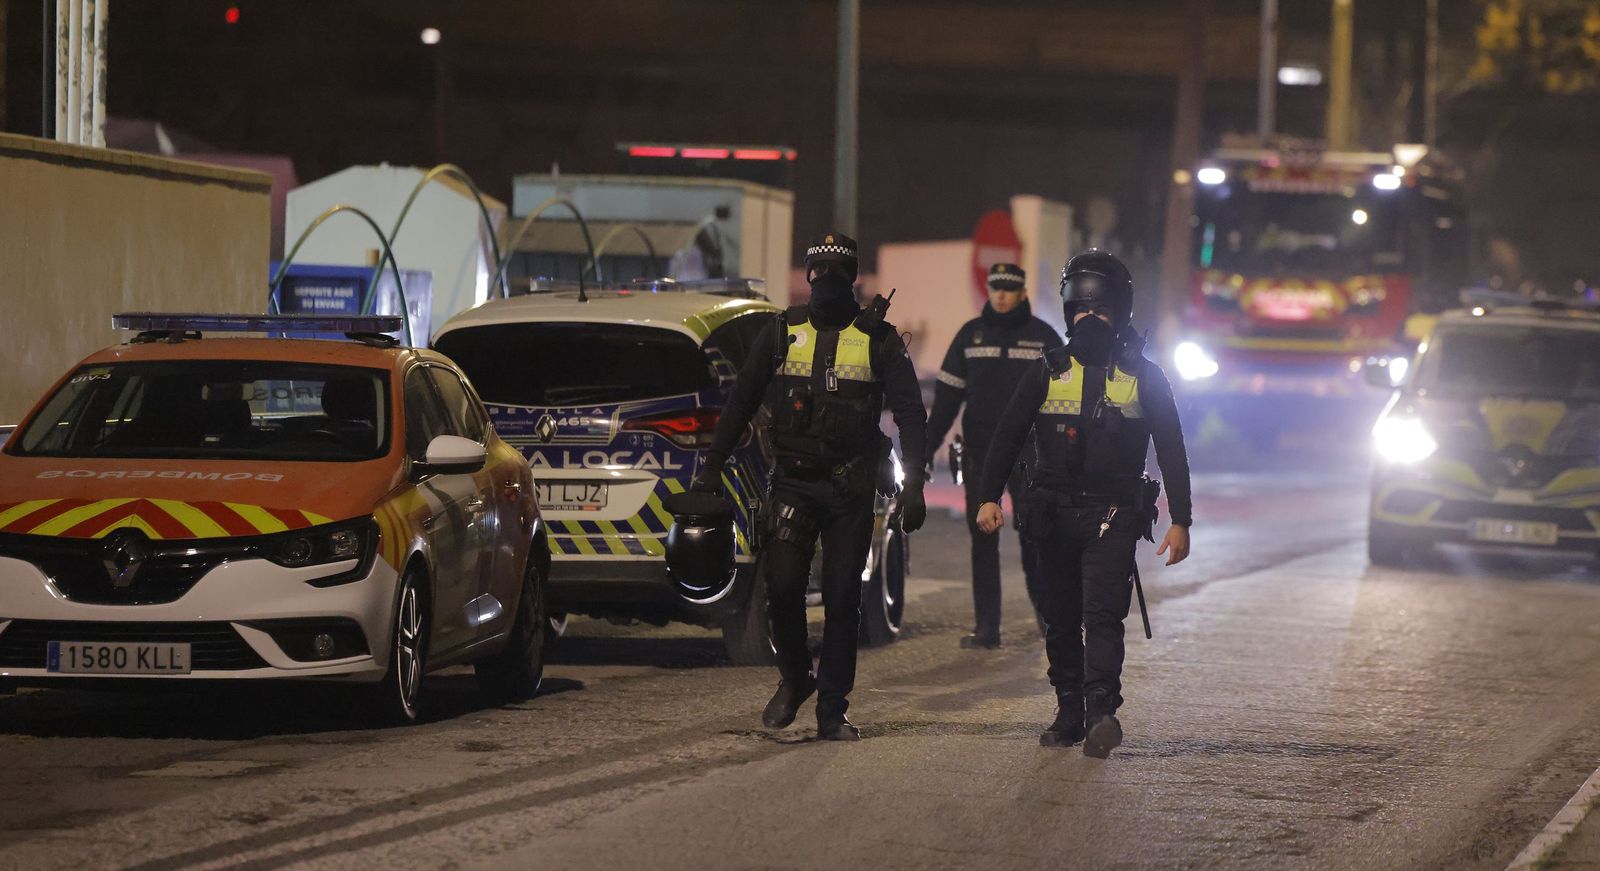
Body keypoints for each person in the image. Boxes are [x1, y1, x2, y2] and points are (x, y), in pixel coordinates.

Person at [694, 232, 928, 741]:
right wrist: (712, 465)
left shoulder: (879, 339)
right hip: (794, 485)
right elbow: (741, 401)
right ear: (807, 274)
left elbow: (911, 413)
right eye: (818, 271)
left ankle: (832, 710)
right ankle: (796, 677)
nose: (826, 281)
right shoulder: (782, 331)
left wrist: (915, 484)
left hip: (850, 488)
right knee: (781, 589)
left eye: (836, 272)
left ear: (854, 278)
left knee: (843, 598)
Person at [976, 249, 1192, 758]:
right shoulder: (1046, 370)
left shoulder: (1145, 376)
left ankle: (1100, 713)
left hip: (1112, 516)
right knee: (1059, 617)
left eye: (1101, 311)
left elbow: (1171, 447)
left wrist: (1181, 520)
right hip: (1053, 515)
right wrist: (988, 495)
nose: (1089, 319)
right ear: (1069, 311)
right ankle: (1068, 711)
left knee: (1102, 616)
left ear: (1121, 313)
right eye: (1081, 310)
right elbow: (1007, 436)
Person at [925, 262, 1062, 649]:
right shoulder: (970, 336)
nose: (1001, 295)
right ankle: (987, 628)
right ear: (987, 290)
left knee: (1035, 535)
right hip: (981, 452)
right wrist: (924, 452)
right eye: (995, 287)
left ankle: (1048, 618)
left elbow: (1065, 399)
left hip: (1031, 454)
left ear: (1022, 293)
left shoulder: (1043, 338)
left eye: (1009, 288)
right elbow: (946, 402)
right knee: (982, 538)